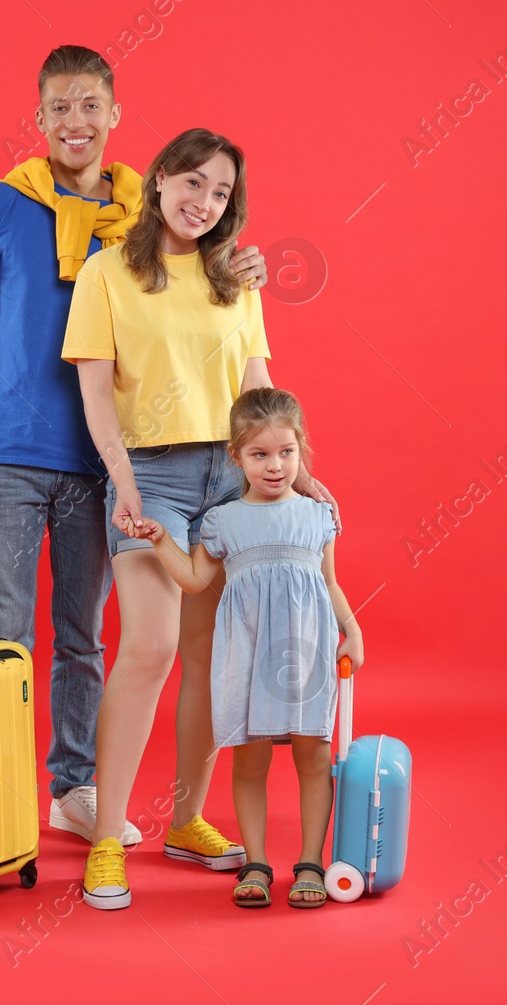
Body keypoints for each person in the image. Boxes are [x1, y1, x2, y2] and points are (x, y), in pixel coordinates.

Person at [0, 46, 268, 844]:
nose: (76, 121)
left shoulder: (141, 216)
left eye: (91, 105)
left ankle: (74, 787)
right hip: (14, 450)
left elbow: (200, 273)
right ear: (40, 119)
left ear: (116, 117)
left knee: (85, 635)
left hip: (105, 460)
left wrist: (239, 258)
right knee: (5, 634)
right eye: (60, 107)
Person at [62, 128, 340, 910]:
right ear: (157, 182)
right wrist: (123, 483)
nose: (203, 202)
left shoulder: (236, 279)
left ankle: (187, 818)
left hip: (229, 471)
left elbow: (256, 387)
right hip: (148, 472)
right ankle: (110, 837)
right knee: (146, 647)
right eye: (192, 183)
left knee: (214, 651)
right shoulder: (107, 271)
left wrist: (297, 470)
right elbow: (92, 392)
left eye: (220, 193)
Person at [135, 387, 364, 908]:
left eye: (286, 452)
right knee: (250, 760)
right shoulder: (223, 521)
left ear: (301, 451)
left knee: (315, 754)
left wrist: (352, 628)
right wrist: (159, 540)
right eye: (260, 454)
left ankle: (310, 861)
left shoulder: (317, 515)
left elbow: (328, 582)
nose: (275, 465)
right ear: (236, 456)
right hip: (246, 653)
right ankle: (257, 864)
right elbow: (194, 580)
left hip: (304, 651)